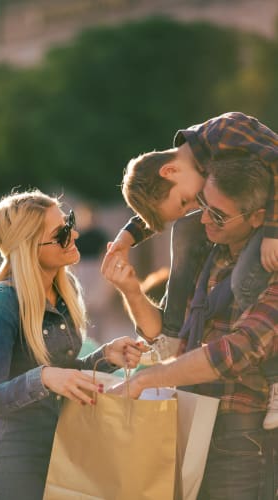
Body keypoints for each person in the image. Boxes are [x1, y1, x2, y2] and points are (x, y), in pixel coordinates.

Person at [103, 156, 278, 499]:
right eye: (203, 206)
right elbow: (169, 342)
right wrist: (131, 291)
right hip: (188, 419)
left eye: (219, 215)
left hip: (241, 438)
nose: (205, 221)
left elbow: (239, 349)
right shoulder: (207, 251)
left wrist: (149, 378)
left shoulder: (270, 263)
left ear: (259, 217)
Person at [108, 111, 278, 429]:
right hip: (201, 421)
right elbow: (165, 207)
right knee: (184, 228)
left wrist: (273, 232)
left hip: (273, 215)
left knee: (244, 281)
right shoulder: (193, 170)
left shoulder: (224, 133)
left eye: (189, 202)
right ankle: (173, 334)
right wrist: (126, 238)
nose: (195, 211)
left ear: (171, 169)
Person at [0, 190, 143, 500]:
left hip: (60, 449)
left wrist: (105, 357)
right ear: (30, 247)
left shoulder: (66, 290)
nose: (74, 233)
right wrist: (43, 377)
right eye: (62, 233)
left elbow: (65, 375)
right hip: (11, 461)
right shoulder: (3, 302)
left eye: (69, 223)